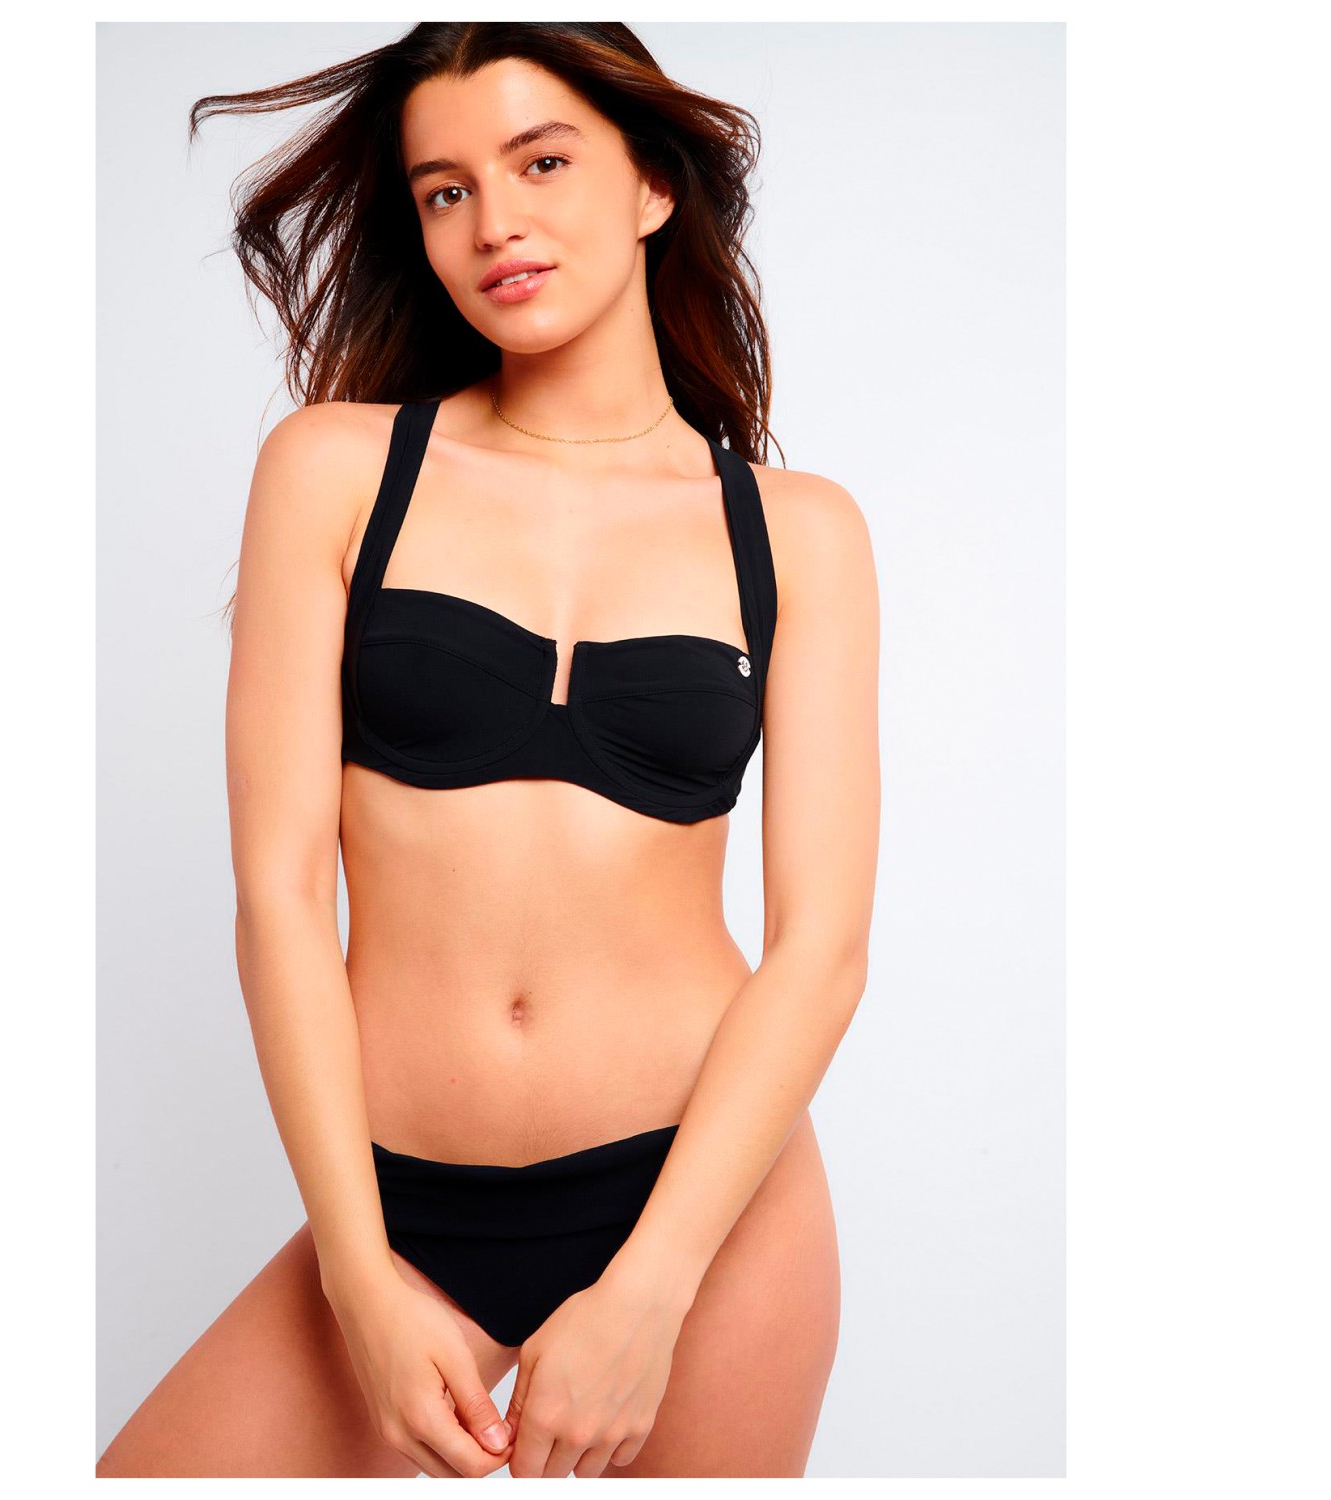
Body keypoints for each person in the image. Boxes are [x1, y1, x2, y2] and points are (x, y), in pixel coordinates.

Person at [98, 21, 879, 1479]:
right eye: (445, 190)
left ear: (653, 186)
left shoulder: (799, 534)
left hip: (705, 1212)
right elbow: (280, 896)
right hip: (395, 1214)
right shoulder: (338, 472)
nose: (493, 222)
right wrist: (356, 1276)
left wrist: (651, 1289)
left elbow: (821, 948)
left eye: (541, 163)